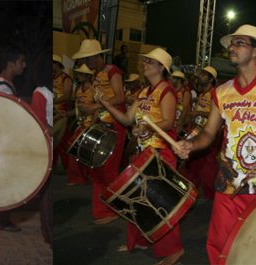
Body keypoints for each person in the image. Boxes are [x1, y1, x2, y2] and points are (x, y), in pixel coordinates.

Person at [171, 24, 256, 264]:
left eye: (239, 43)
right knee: (220, 244)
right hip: (227, 182)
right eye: (231, 43)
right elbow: (208, 134)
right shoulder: (223, 92)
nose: (232, 47)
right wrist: (190, 145)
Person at [98, 47, 184, 265]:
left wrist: (146, 127)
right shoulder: (144, 92)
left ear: (160, 68)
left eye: (149, 62)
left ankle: (173, 250)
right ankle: (139, 240)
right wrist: (106, 104)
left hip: (161, 153)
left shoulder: (167, 91)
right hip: (143, 154)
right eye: (145, 61)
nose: (144, 65)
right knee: (137, 200)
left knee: (160, 203)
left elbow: (168, 121)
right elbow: (128, 120)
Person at [71, 39, 126, 225]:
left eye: (90, 58)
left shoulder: (112, 71)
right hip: (103, 125)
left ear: (98, 55)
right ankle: (102, 210)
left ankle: (110, 211)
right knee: (98, 169)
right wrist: (92, 123)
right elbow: (100, 105)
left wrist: (94, 106)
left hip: (116, 126)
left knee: (107, 170)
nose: (87, 62)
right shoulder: (95, 76)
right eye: (85, 59)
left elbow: (120, 96)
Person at [183, 66, 221, 200]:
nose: (200, 76)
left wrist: (198, 113)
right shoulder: (203, 93)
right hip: (198, 131)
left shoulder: (214, 93)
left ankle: (211, 197)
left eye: (204, 74)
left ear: (211, 79)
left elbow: (218, 115)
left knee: (208, 168)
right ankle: (193, 191)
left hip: (208, 134)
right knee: (194, 164)